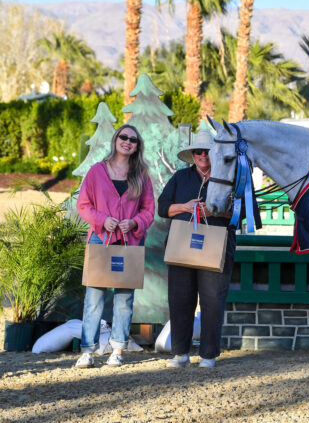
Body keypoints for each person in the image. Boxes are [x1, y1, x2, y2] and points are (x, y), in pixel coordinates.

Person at [75, 124, 155, 368]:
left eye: (133, 139)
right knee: (94, 297)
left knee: (124, 298)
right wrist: (102, 220)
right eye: (124, 137)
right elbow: (83, 204)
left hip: (129, 241)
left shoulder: (141, 175)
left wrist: (134, 222)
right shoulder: (96, 172)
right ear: (115, 139)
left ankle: (117, 350)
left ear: (136, 146)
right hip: (100, 239)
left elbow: (149, 210)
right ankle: (88, 351)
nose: (128, 141)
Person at [158, 130, 237, 369]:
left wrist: (213, 211)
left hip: (217, 246)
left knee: (213, 300)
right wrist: (185, 206)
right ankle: (180, 353)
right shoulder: (181, 177)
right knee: (180, 299)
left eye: (207, 151)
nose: (203, 155)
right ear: (193, 155)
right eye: (198, 151)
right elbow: (163, 208)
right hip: (182, 246)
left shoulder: (230, 177)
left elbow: (240, 213)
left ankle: (208, 355)